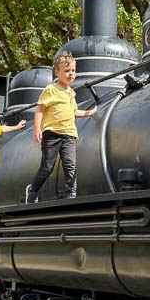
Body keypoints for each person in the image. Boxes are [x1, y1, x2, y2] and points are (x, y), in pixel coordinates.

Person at [26, 52, 97, 203]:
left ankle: (71, 192)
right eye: (66, 71)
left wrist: (89, 112)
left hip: (69, 135)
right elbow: (40, 109)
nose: (71, 74)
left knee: (70, 164)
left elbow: (73, 111)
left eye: (73, 70)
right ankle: (32, 191)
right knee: (47, 167)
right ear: (57, 72)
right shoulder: (51, 89)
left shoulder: (71, 92)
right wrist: (37, 129)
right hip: (51, 134)